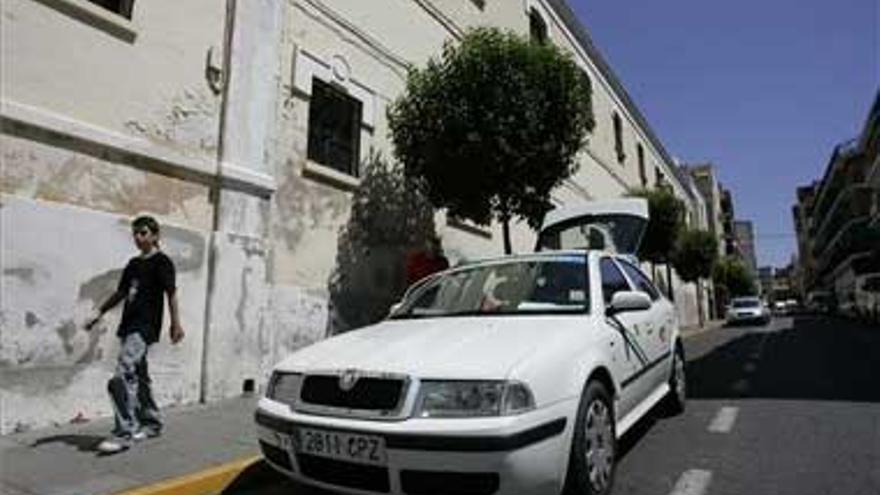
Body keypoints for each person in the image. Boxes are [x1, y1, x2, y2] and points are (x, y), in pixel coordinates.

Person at [84, 215, 184, 454]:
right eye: (136, 233)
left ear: (155, 235)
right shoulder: (132, 264)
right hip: (129, 325)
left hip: (145, 325)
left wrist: (175, 324)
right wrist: (100, 311)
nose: (139, 238)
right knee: (139, 374)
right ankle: (151, 423)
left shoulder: (162, 262)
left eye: (144, 233)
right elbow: (121, 293)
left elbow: (171, 294)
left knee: (122, 373)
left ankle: (124, 432)